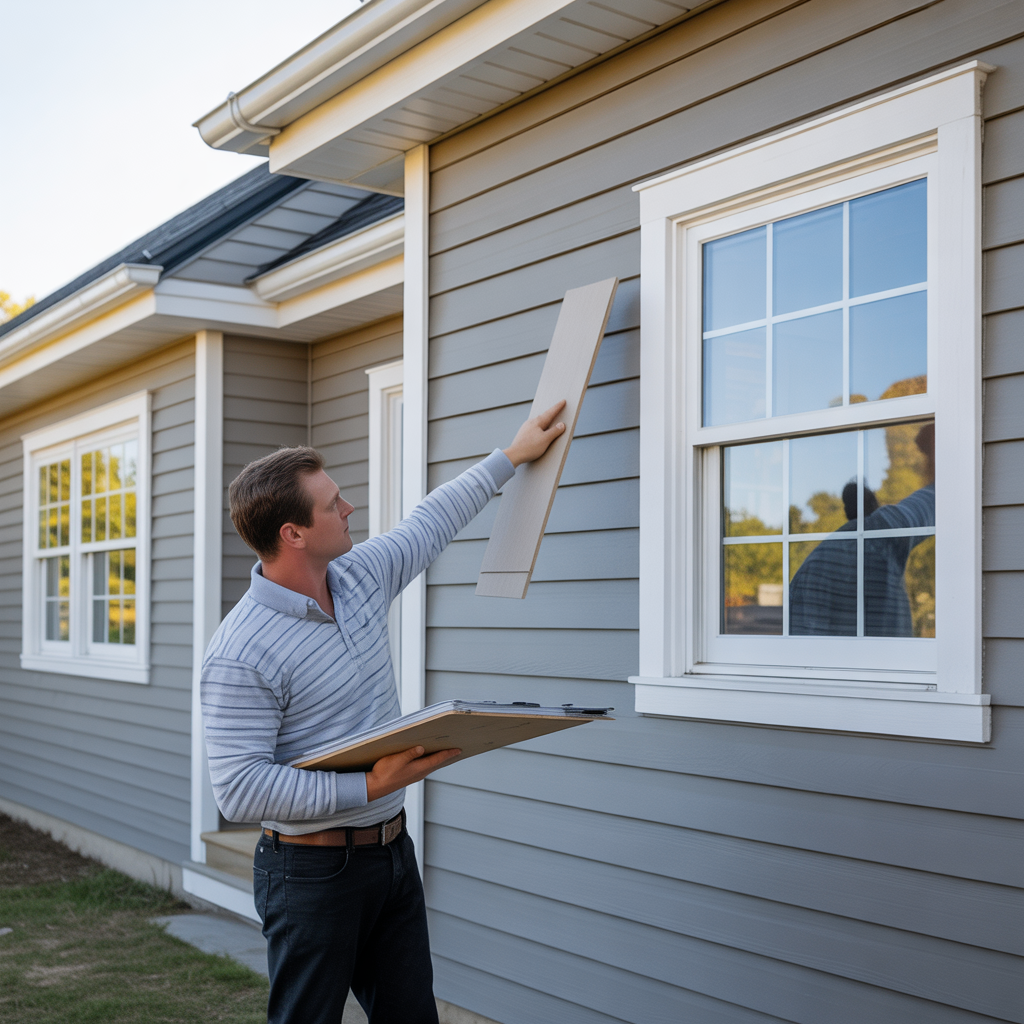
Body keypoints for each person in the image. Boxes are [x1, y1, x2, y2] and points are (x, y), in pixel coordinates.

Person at [200, 401, 568, 1024]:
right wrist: (368, 784)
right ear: (293, 533)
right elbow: (238, 789)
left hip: (391, 855)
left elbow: (429, 523)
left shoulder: (357, 576)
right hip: (310, 872)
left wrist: (512, 455)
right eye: (332, 504)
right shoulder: (241, 650)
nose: (350, 510)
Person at [789, 423, 935, 636]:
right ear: (874, 503)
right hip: (894, 666)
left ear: (847, 511)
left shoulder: (811, 567)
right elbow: (936, 497)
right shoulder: (883, 534)